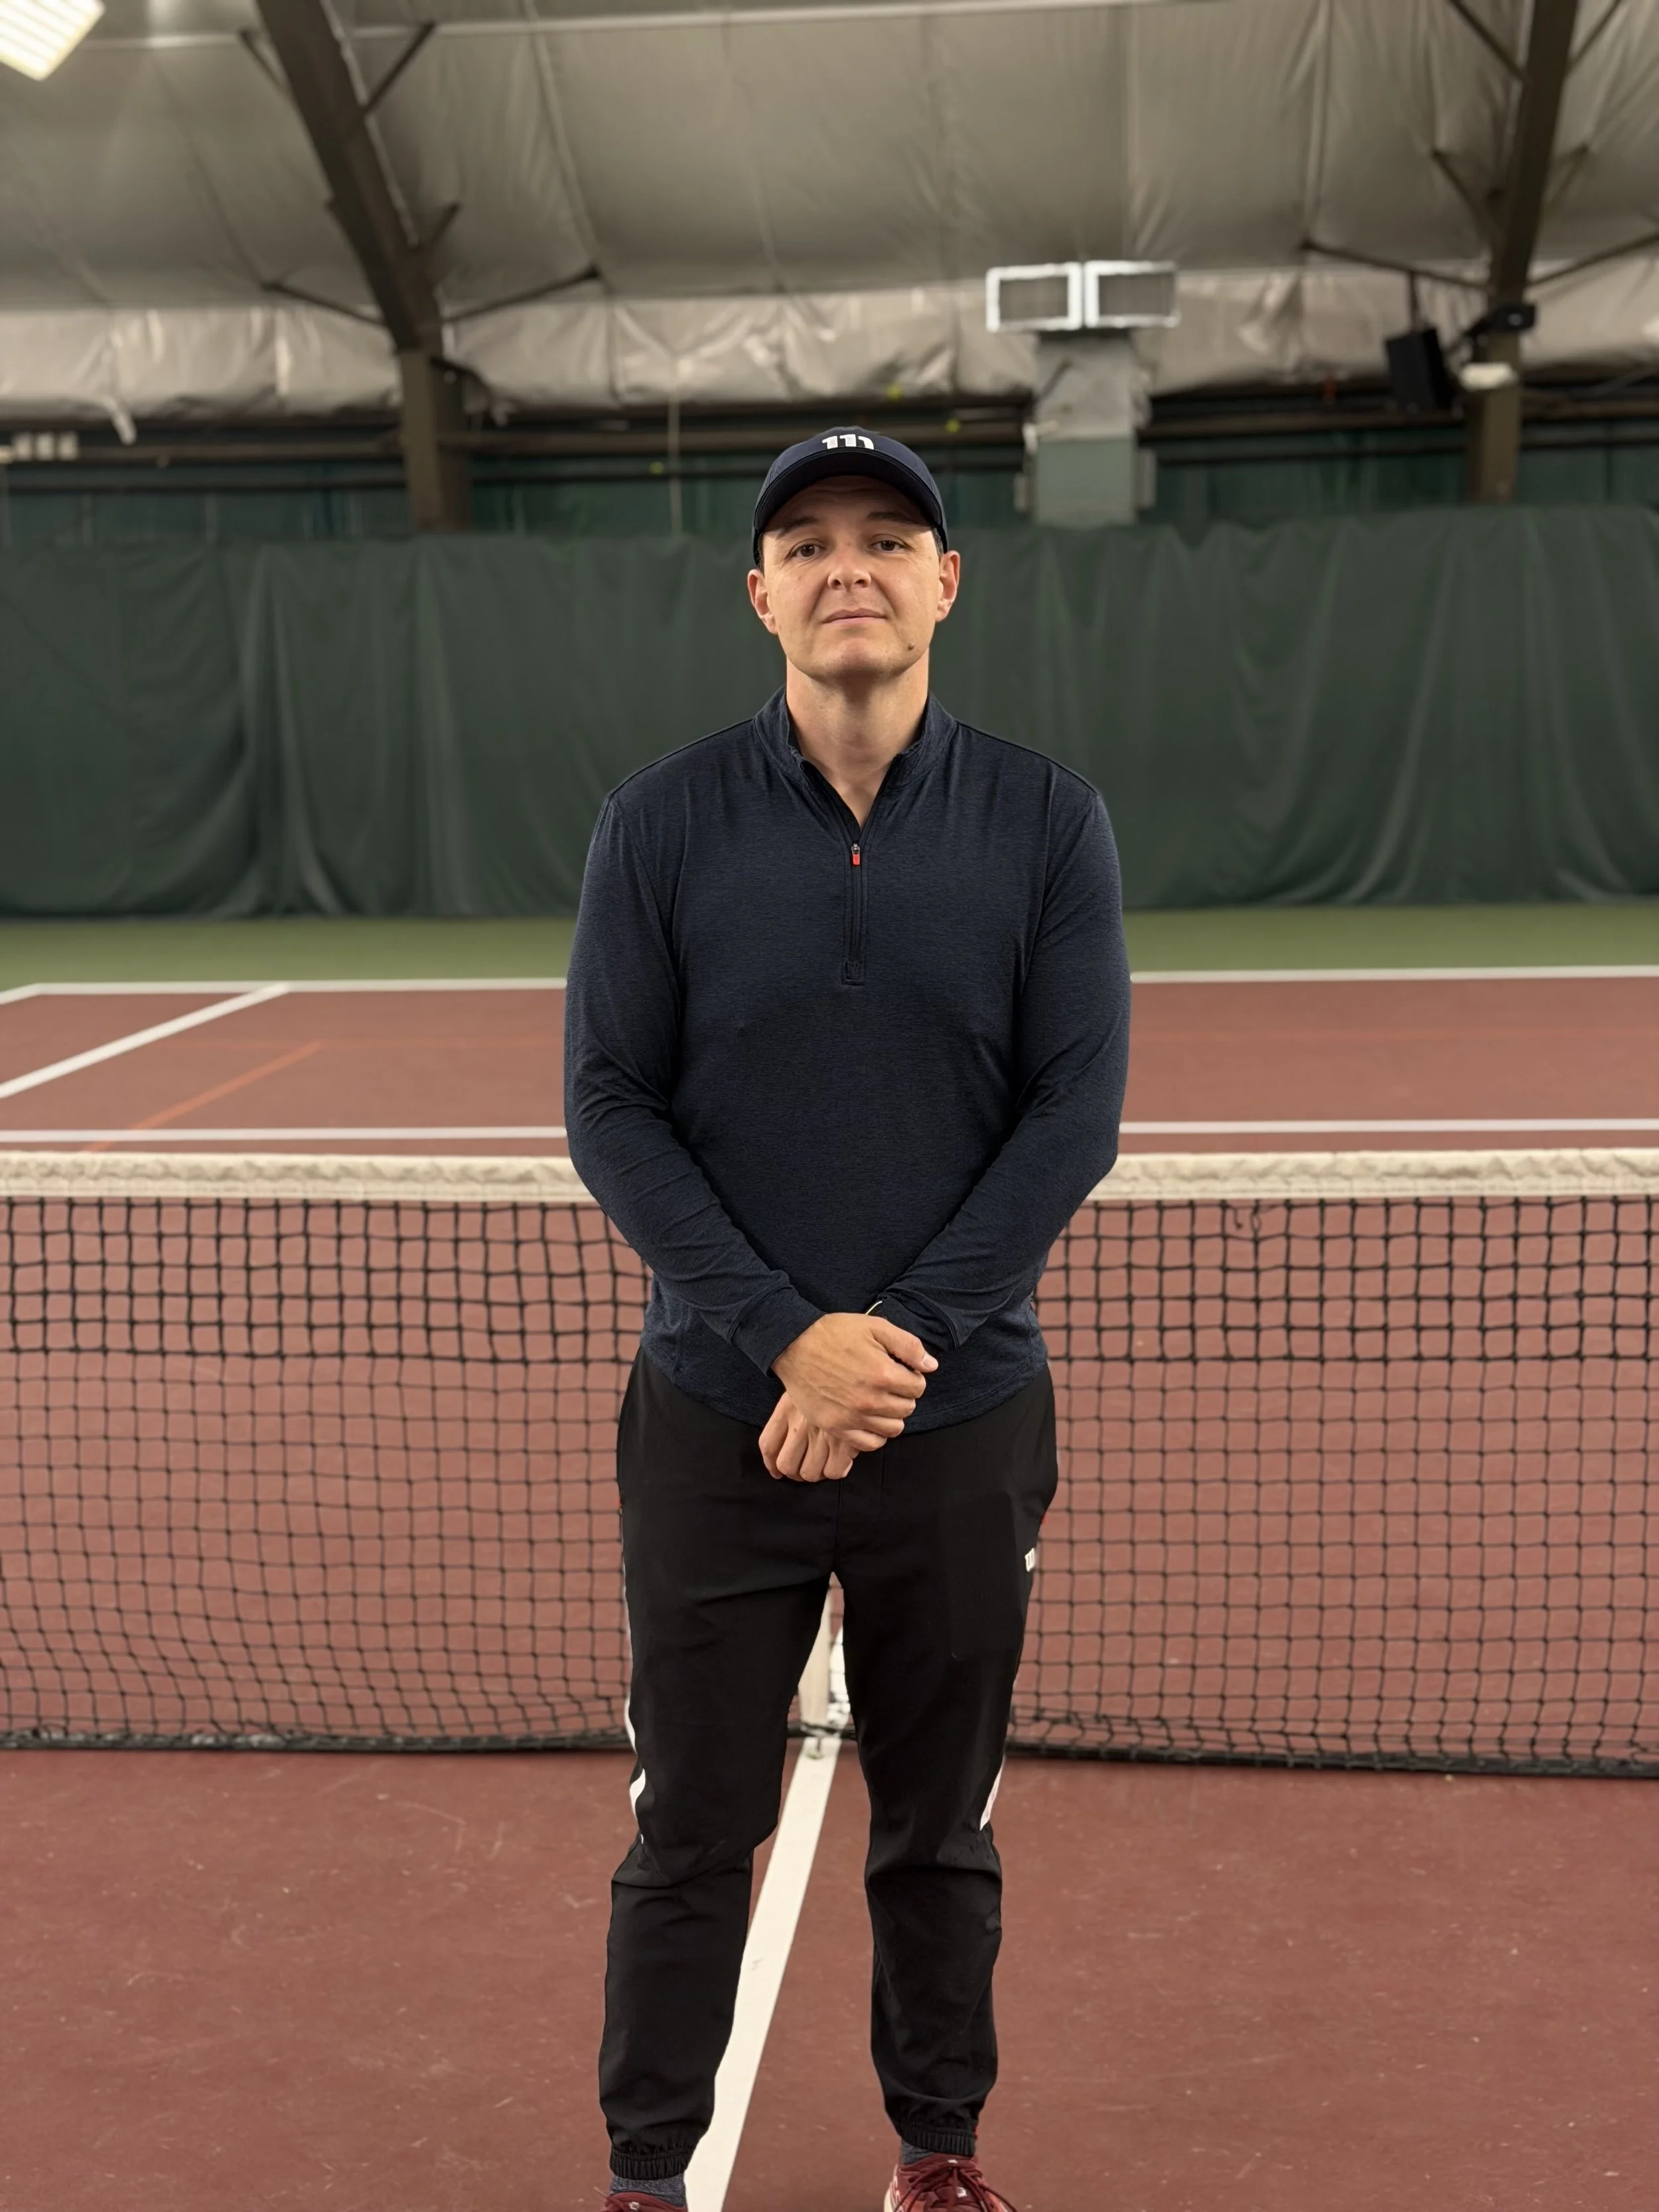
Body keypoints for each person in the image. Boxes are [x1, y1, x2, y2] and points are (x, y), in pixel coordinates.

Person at [565, 426, 1131, 2211]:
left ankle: (936, 2153)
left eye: (887, 536)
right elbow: (609, 1103)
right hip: (711, 1425)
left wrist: (888, 1354)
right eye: (805, 543)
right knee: (689, 1828)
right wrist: (776, 1338)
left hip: (958, 1428)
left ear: (946, 581)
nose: (847, 565)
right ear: (760, 596)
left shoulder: (1045, 820)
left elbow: (1069, 1112)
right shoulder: (658, 822)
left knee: (935, 1830)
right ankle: (648, 2175)